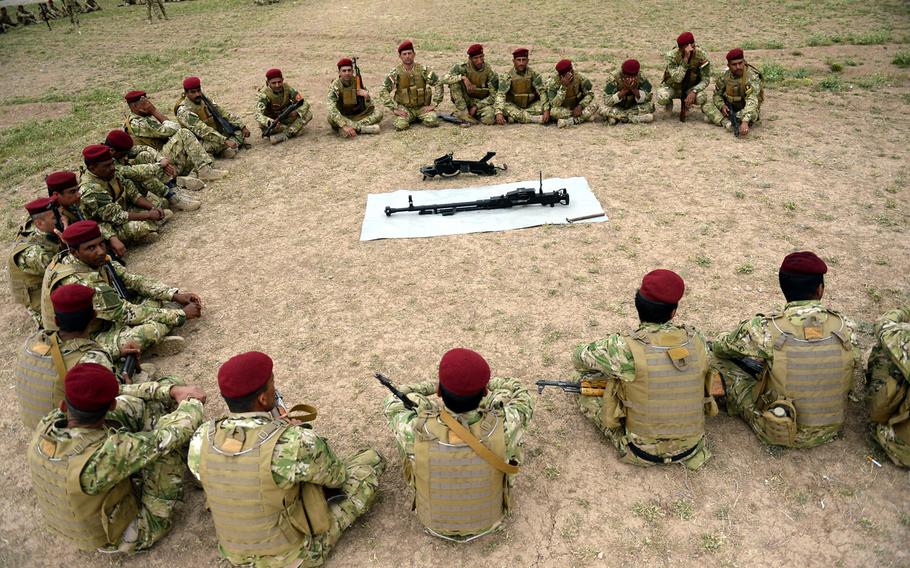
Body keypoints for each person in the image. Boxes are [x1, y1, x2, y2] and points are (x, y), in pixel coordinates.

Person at [187, 351, 385, 566]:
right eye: (272, 382)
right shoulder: (294, 442)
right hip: (291, 558)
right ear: (263, 399)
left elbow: (206, 477)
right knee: (370, 461)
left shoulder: (203, 436)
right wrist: (294, 433)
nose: (274, 386)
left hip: (234, 555)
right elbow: (337, 477)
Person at [28, 363, 205, 553]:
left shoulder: (48, 423)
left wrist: (170, 390)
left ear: (63, 405)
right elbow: (171, 435)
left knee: (135, 406)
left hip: (79, 518)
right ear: (112, 405)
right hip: (120, 536)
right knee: (167, 452)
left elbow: (120, 390)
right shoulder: (111, 453)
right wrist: (191, 402)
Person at [383, 348, 533, 541]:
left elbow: (392, 400)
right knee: (503, 396)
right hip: (490, 521)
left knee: (414, 402)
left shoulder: (412, 428)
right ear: (485, 392)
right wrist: (490, 384)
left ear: (439, 392)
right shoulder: (508, 423)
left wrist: (432, 386)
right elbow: (521, 392)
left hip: (434, 525)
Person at [712, 251, 859, 448]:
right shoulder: (845, 326)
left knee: (715, 359)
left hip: (778, 429)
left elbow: (722, 347)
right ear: (820, 289)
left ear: (783, 288)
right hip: (831, 427)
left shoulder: (766, 328)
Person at [573, 270, 717, 469]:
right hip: (691, 447)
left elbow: (579, 358)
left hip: (640, 451)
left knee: (583, 382)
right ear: (673, 312)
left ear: (637, 305)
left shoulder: (624, 347)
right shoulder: (696, 340)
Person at [41, 220, 202, 359]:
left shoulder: (93, 259)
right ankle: (150, 342)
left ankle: (152, 340)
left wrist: (173, 295)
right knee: (147, 331)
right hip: (82, 340)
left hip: (102, 319)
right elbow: (125, 313)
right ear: (74, 252)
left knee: (155, 300)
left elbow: (131, 279)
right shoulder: (81, 280)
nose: (101, 251)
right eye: (91, 248)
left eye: (101, 243)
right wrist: (181, 315)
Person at [15, 284, 134, 428]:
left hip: (41, 429)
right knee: (136, 404)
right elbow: (109, 398)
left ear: (56, 320)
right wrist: (126, 381)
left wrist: (116, 350)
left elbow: (64, 353)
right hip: (74, 431)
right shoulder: (93, 358)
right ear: (94, 316)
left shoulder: (33, 342)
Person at [78, 144, 171, 248]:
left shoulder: (110, 173)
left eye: (112, 163)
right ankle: (130, 239)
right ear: (93, 168)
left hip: (124, 210)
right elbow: (116, 216)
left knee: (163, 207)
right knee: (143, 227)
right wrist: (149, 215)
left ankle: (146, 228)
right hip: (109, 226)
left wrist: (152, 208)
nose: (113, 168)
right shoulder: (90, 189)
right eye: (107, 165)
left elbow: (133, 194)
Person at [124, 90, 225, 180]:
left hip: (158, 159)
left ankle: (192, 176)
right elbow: (175, 129)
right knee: (184, 133)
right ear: (135, 107)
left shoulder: (136, 119)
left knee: (200, 150)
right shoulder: (138, 123)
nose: (149, 104)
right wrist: (154, 111)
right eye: (145, 103)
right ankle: (204, 171)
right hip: (157, 164)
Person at [104, 129, 202, 208]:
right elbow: (132, 171)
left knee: (144, 155)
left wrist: (160, 159)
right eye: (124, 153)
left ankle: (172, 189)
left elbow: (145, 148)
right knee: (142, 175)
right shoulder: (105, 163)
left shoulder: (114, 150)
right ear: (112, 151)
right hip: (126, 196)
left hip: (135, 186)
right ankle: (171, 195)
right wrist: (160, 166)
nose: (126, 155)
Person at [8, 196, 64, 326]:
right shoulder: (33, 253)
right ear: (39, 224)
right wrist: (70, 242)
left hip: (53, 286)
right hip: (43, 304)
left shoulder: (44, 228)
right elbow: (67, 270)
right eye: (56, 217)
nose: (62, 219)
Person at [865, 305, 910, 467]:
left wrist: (904, 311)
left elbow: (884, 326)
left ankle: (879, 415)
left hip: (902, 449)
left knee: (885, 351)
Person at [175, 76, 249, 157]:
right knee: (211, 145)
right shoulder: (183, 110)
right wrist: (224, 140)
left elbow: (221, 112)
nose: (197, 94)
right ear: (186, 93)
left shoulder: (202, 98)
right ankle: (220, 151)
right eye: (193, 92)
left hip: (214, 133)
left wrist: (242, 126)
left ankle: (223, 150)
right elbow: (203, 130)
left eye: (199, 90)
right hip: (199, 140)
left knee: (239, 132)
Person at [378, 40, 444, 131]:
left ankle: (419, 117)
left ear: (414, 54)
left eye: (409, 53)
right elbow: (383, 89)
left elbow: (438, 82)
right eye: (404, 54)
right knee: (400, 125)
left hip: (422, 107)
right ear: (400, 56)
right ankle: (409, 118)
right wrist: (394, 108)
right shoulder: (396, 72)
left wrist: (435, 103)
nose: (407, 56)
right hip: (405, 108)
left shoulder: (423, 70)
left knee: (432, 121)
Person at [702, 48, 764, 136]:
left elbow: (752, 99)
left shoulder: (751, 77)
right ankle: (727, 123)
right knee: (706, 106)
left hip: (746, 108)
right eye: (734, 64)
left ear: (744, 62)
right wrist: (722, 106)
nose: (738, 67)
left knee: (753, 114)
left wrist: (745, 121)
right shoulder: (726, 76)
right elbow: (717, 95)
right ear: (729, 65)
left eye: (740, 63)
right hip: (731, 107)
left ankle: (721, 119)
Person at [655, 32, 712, 119]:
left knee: (701, 97)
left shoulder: (701, 56)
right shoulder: (672, 56)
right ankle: (668, 104)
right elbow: (677, 79)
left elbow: (706, 79)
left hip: (690, 88)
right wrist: (685, 59)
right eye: (686, 48)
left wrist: (694, 91)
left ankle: (688, 105)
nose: (691, 50)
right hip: (673, 87)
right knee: (662, 97)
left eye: (692, 46)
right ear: (680, 48)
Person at [443, 44, 499, 125]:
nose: (479, 61)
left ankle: (468, 115)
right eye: (476, 58)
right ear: (470, 59)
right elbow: (443, 79)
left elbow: (493, 95)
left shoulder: (489, 71)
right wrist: (462, 78)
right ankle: (464, 112)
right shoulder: (462, 67)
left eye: (481, 57)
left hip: (481, 102)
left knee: (489, 119)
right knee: (454, 83)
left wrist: (476, 106)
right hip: (465, 100)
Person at [326, 57, 383, 138]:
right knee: (330, 118)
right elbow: (331, 107)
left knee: (379, 113)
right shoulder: (335, 85)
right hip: (343, 116)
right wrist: (344, 125)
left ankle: (351, 128)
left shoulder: (357, 81)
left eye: (349, 70)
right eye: (344, 71)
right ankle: (361, 129)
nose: (347, 73)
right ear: (339, 72)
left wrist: (367, 97)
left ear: (352, 71)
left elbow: (369, 106)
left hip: (357, 116)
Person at [254, 68, 313, 145]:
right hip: (274, 122)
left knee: (308, 114)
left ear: (282, 80)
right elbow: (257, 114)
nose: (277, 85)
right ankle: (293, 130)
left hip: (286, 117)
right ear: (268, 82)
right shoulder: (263, 95)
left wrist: (297, 112)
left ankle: (286, 134)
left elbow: (304, 103)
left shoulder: (288, 89)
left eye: (279, 82)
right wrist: (269, 122)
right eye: (273, 83)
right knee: (268, 127)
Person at [494, 47, 547, 125]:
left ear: (527, 61)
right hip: (514, 106)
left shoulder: (534, 75)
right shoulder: (507, 76)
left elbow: (542, 92)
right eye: (518, 60)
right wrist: (499, 113)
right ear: (513, 61)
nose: (521, 63)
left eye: (524, 60)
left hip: (530, 106)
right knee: (502, 107)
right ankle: (534, 119)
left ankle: (516, 117)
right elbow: (500, 94)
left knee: (546, 107)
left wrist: (546, 110)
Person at [546, 59, 599, 128]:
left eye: (571, 71)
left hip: (577, 106)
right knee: (553, 112)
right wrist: (563, 87)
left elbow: (590, 94)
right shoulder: (553, 82)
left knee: (595, 104)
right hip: (563, 109)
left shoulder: (579, 77)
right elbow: (554, 104)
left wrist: (580, 106)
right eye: (565, 75)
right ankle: (581, 118)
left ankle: (569, 121)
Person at [601, 59, 655, 125]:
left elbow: (648, 97)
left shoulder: (641, 77)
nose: (630, 79)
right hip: (618, 106)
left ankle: (619, 117)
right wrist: (624, 90)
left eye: (632, 76)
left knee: (650, 106)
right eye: (627, 76)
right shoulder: (613, 77)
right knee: (602, 109)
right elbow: (607, 101)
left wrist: (634, 89)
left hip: (634, 106)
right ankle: (634, 118)